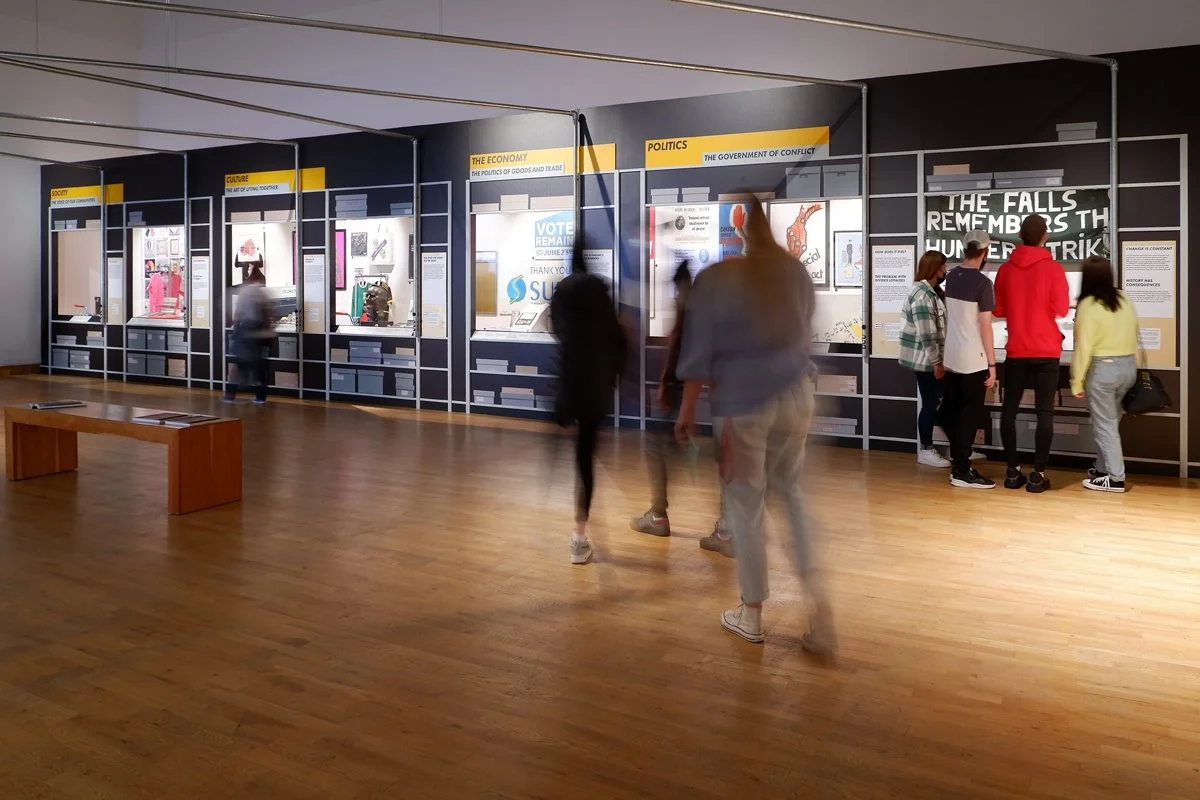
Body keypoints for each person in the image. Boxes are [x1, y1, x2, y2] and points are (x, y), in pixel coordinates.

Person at [675, 196, 834, 657]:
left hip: (743, 404)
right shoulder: (794, 272)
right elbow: (806, 336)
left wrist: (687, 412)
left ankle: (752, 614)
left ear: (739, 228)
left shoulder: (719, 279)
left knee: (745, 505)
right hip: (795, 394)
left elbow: (699, 355)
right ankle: (821, 613)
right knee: (790, 493)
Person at [629, 261, 731, 554]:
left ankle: (659, 516)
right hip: (715, 393)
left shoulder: (689, 309)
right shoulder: (713, 310)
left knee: (660, 445)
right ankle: (727, 526)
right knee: (719, 454)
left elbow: (679, 352)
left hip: (681, 390)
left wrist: (666, 385)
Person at [550, 237, 627, 565]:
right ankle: (579, 533)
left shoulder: (563, 291)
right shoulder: (600, 290)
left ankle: (579, 539)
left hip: (571, 382)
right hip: (596, 384)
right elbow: (617, 338)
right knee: (586, 455)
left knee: (578, 453)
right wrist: (615, 375)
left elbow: (557, 331)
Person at [994, 214, 1070, 493]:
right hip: (1046, 349)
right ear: (1044, 236)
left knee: (1009, 409)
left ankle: (1012, 471)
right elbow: (1061, 309)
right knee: (1045, 411)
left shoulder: (1005, 270)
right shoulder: (1054, 269)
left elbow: (998, 310)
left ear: (1020, 236)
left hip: (1016, 349)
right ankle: (1038, 474)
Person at [1070, 256, 1138, 493]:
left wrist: (1076, 381)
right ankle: (1102, 468)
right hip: (1128, 367)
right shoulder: (1124, 298)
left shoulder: (1088, 305)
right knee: (1110, 424)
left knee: (1104, 426)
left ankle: (1116, 478)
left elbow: (1084, 347)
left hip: (1103, 370)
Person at [938, 230, 998, 489]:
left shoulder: (951, 276)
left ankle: (960, 461)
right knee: (968, 415)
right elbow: (985, 325)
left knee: (950, 411)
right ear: (984, 253)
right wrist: (993, 365)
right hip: (974, 358)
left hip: (952, 355)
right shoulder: (983, 284)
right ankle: (961, 469)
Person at [899, 250, 951, 468]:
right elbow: (927, 334)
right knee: (930, 404)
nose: (946, 271)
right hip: (926, 362)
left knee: (936, 403)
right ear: (935, 269)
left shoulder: (932, 292)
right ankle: (926, 450)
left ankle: (953, 447)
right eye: (943, 267)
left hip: (930, 360)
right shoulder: (922, 295)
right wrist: (937, 363)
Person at [223, 266, 272, 405]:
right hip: (256, 335)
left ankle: (230, 395)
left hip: (243, 333)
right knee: (259, 367)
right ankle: (260, 397)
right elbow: (268, 314)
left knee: (240, 365)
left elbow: (236, 315)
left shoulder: (243, 292)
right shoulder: (262, 293)